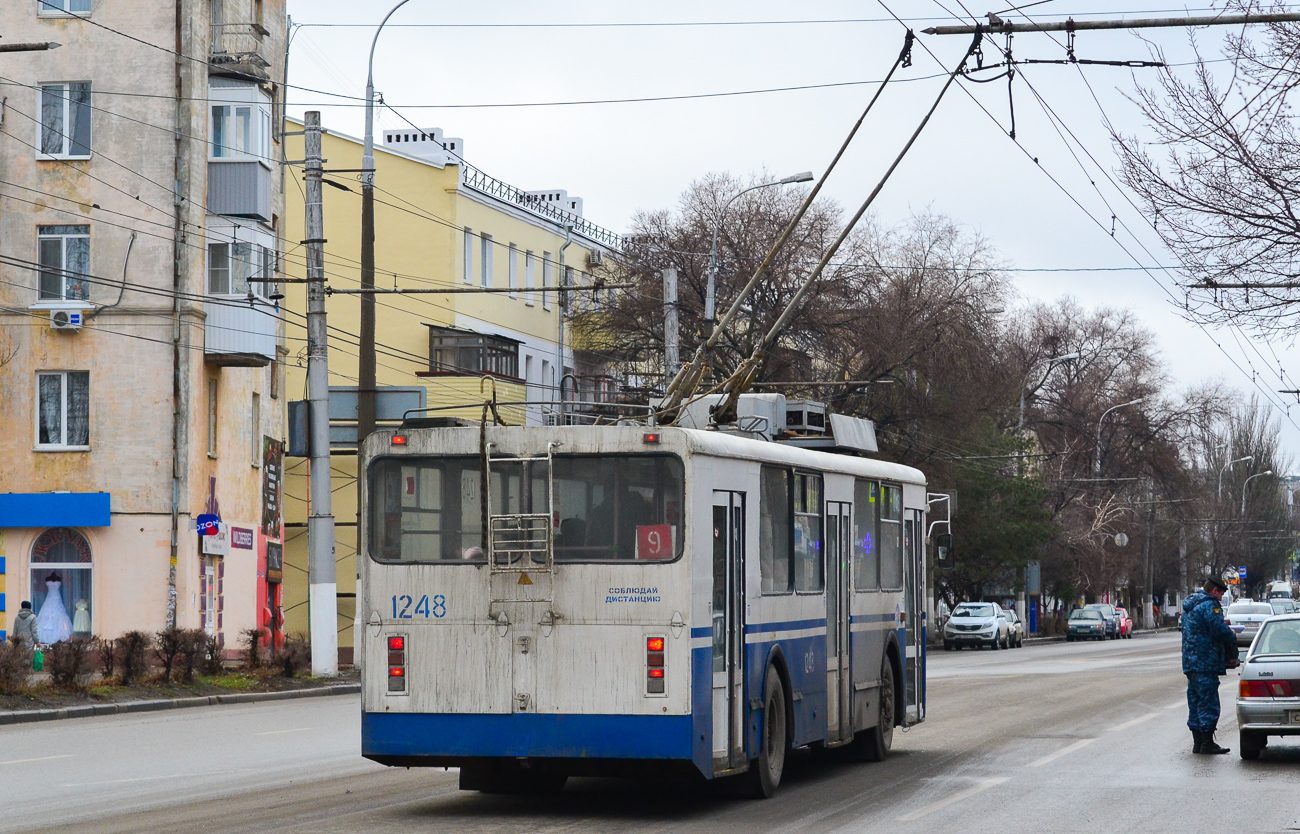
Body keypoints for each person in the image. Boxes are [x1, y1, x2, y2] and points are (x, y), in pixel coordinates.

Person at [1181, 578, 1240, 754]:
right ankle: (1207, 743)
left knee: (1195, 700)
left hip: (1191, 661)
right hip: (1206, 661)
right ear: (1214, 591)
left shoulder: (1190, 605)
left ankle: (1197, 742)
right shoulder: (1209, 606)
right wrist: (1232, 634)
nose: (1221, 598)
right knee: (1209, 702)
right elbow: (1218, 629)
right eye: (1221, 593)